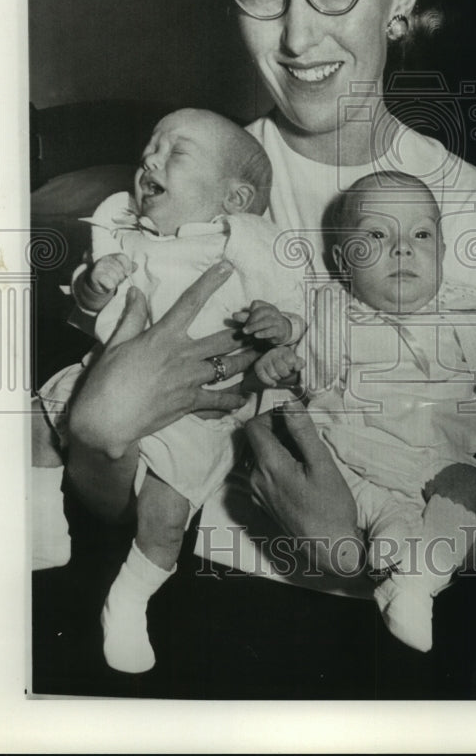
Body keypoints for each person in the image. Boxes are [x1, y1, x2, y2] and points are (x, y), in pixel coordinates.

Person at [33, 0, 476, 692]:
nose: (297, 35)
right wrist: (94, 433)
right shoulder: (185, 209)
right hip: (200, 630)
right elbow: (110, 498)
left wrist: (358, 553)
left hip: (416, 651)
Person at [37, 108, 305, 672]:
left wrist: (278, 323)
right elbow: (88, 315)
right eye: (149, 149)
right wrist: (93, 285)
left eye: (174, 152)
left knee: (166, 514)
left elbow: (296, 312)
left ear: (234, 199)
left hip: (194, 412)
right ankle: (42, 526)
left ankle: (131, 598)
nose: (148, 160)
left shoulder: (246, 244)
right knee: (35, 422)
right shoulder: (124, 232)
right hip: (99, 371)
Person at [265, 170, 476, 652]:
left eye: (421, 235)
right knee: (372, 514)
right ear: (343, 261)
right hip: (349, 455)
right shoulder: (331, 310)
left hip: (436, 461)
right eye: (377, 235)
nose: (403, 249)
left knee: (467, 488)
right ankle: (405, 574)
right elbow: (311, 378)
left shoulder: (473, 312)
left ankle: (415, 582)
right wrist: (285, 364)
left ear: (443, 254)